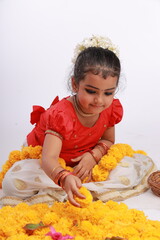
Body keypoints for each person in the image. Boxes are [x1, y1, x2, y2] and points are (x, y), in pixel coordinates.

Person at [2, 36, 124, 207]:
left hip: (83, 154)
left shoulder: (110, 108)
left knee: (134, 164)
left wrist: (92, 156)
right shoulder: (61, 115)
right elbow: (48, 159)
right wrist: (64, 177)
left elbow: (108, 140)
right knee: (13, 181)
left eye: (108, 93)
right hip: (47, 156)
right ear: (75, 84)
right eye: (91, 91)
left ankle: (70, 186)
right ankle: (66, 186)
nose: (99, 100)